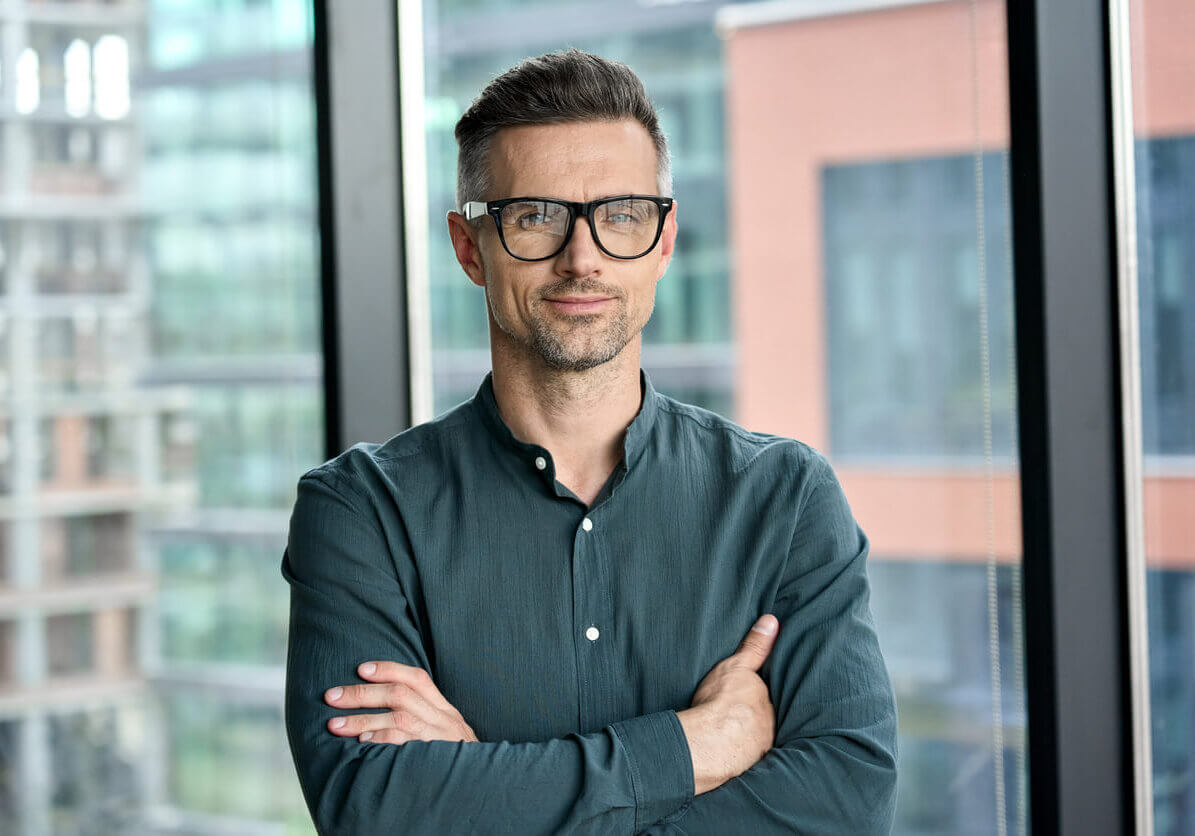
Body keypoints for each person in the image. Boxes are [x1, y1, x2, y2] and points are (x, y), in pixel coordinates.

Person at [282, 49, 897, 834]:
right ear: (470, 247)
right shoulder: (362, 511)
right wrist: (689, 747)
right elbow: (376, 811)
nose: (583, 258)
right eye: (535, 216)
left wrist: (485, 792)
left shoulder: (784, 499)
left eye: (621, 215)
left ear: (664, 240)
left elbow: (845, 802)